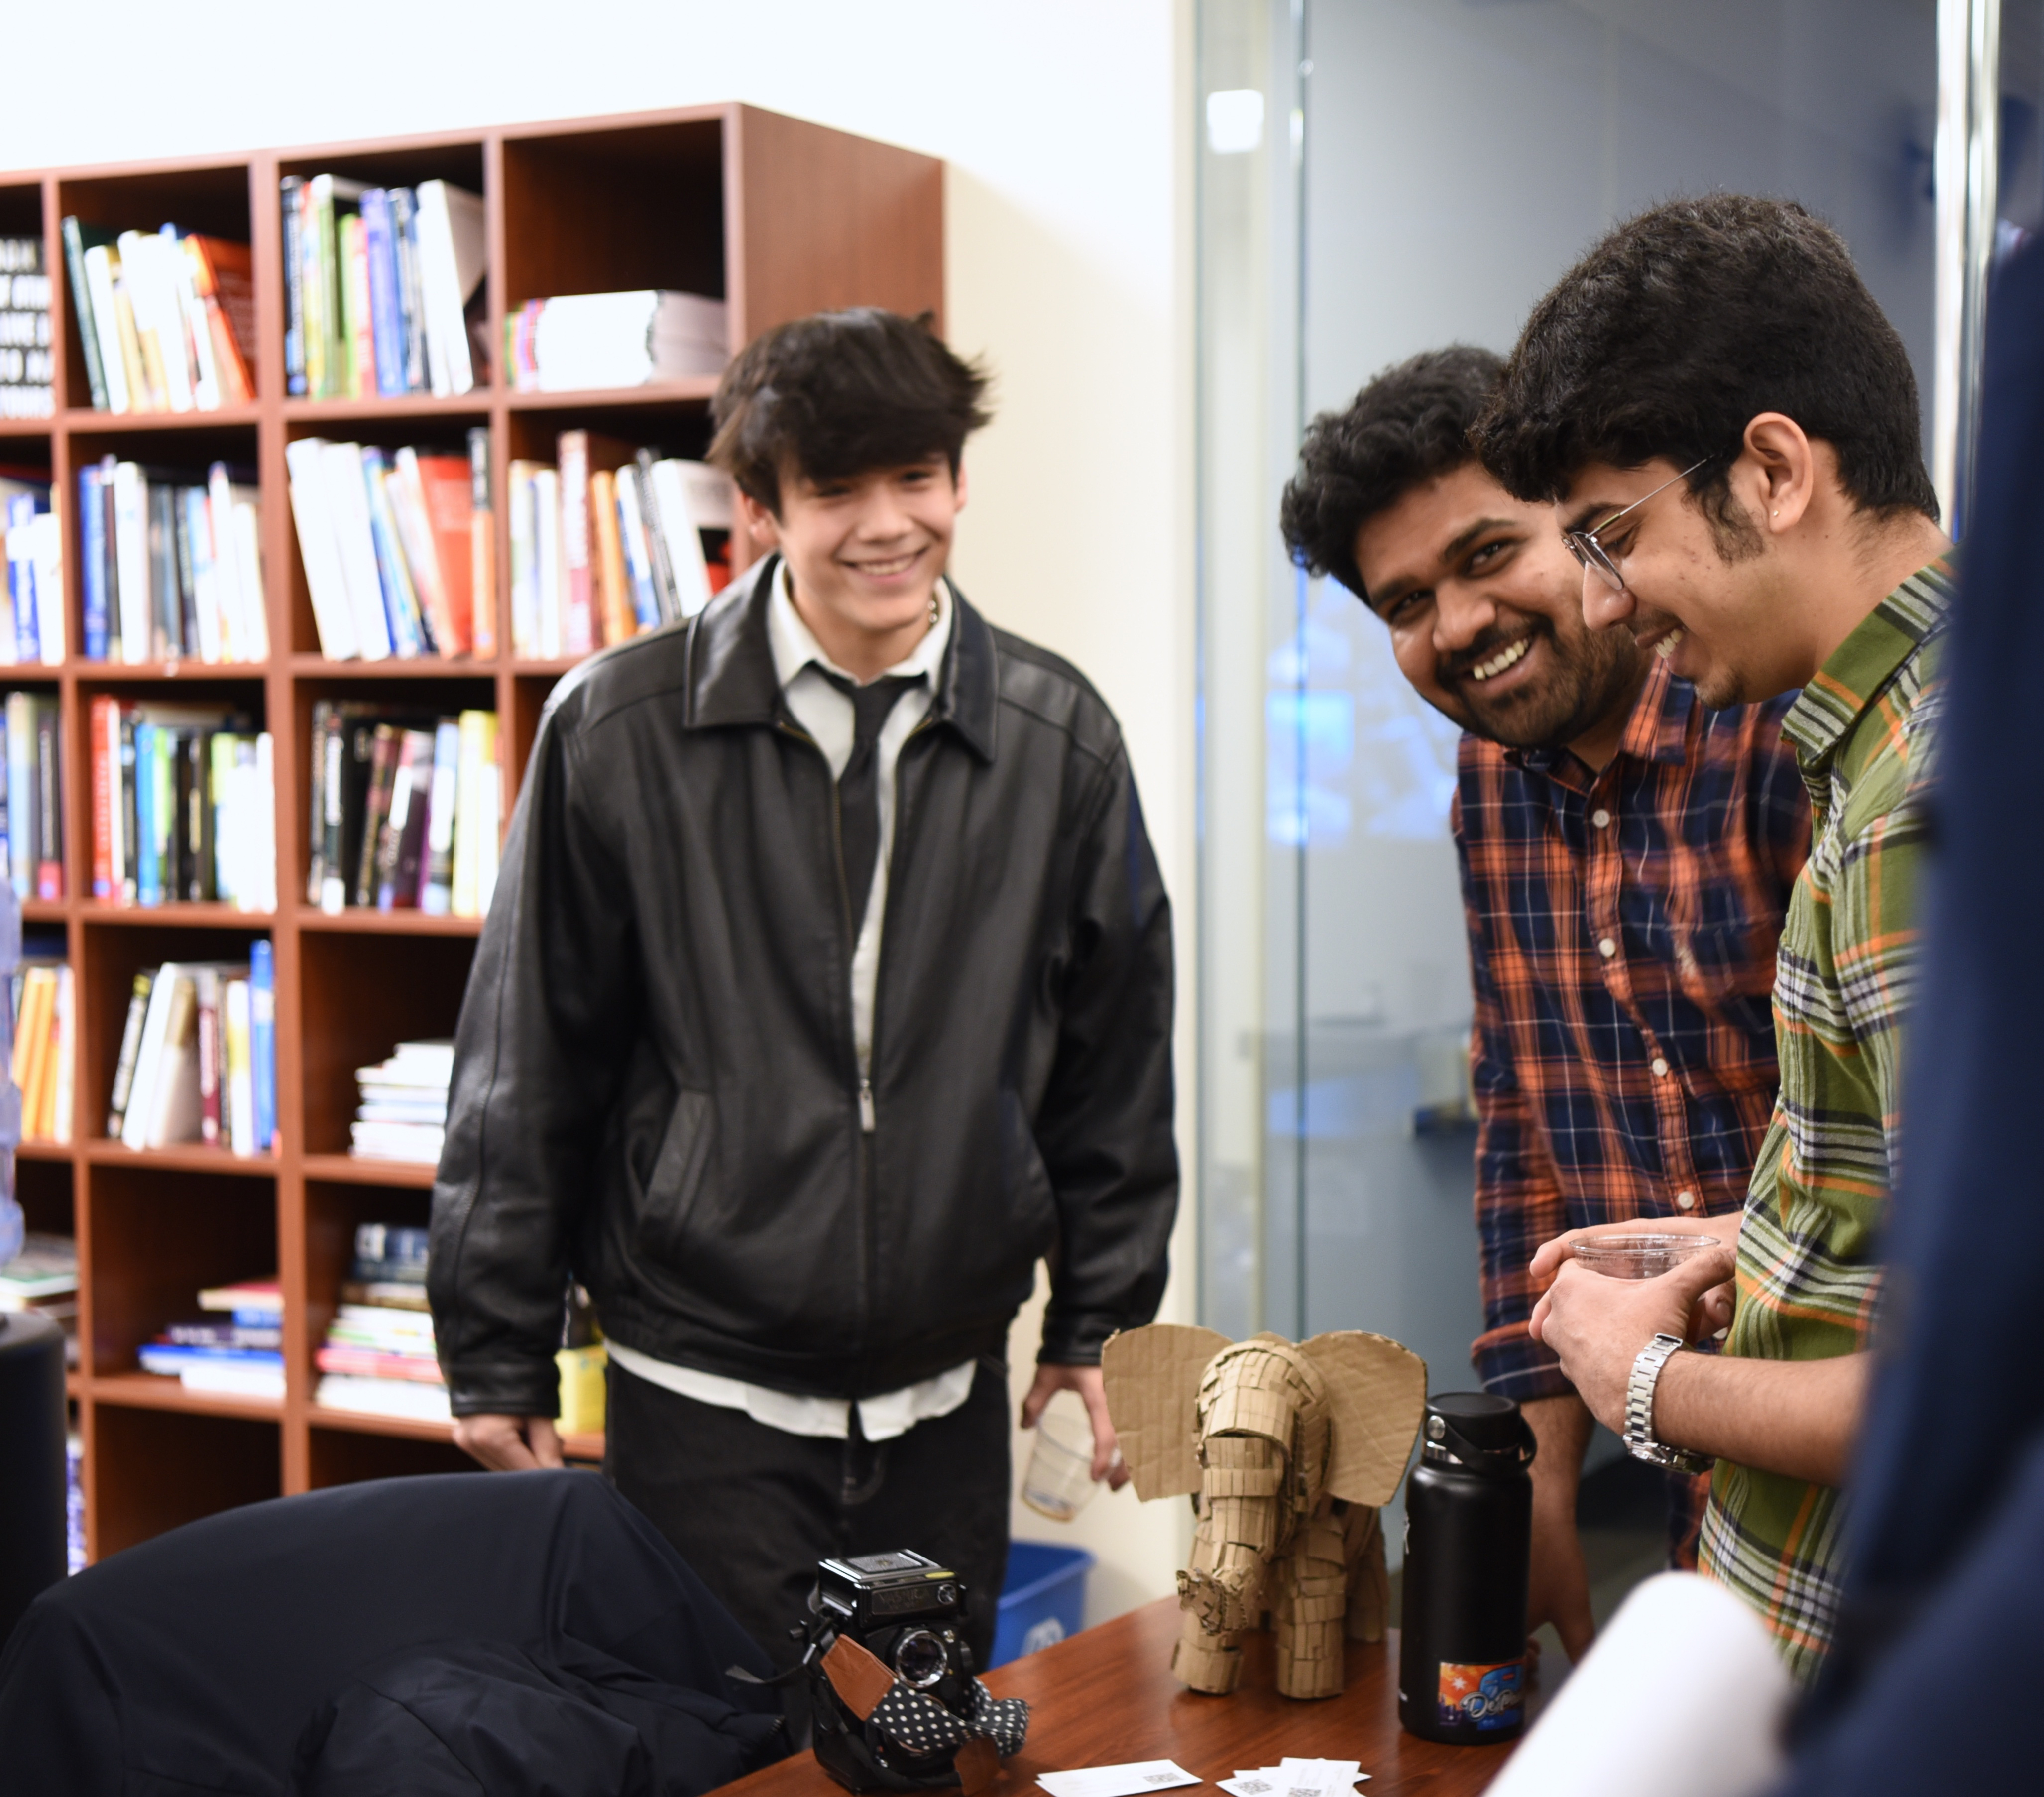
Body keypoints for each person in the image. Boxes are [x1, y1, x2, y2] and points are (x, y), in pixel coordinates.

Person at [428, 308, 1178, 1680]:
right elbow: (528, 1059)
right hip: (700, 1396)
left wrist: (1099, 1327)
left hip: (945, 1399)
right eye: (837, 489)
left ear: (958, 481)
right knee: (714, 1757)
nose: (887, 524)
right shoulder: (617, 729)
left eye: (918, 479)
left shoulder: (1055, 736)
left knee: (917, 1759)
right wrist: (493, 1355)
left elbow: (1113, 1062)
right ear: (761, 507)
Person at [1473, 195, 1951, 1681]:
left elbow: (1965, 1388)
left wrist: (1645, 1380)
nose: (1609, 605)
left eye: (1617, 537)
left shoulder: (1915, 811)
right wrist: (1769, 1241)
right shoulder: (1885, 747)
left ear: (1772, 467)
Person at [1279, 346, 1808, 1666]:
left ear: (1586, 527)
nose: (1454, 624)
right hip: (1707, 1491)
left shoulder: (1772, 719)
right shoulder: (1494, 780)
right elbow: (1523, 1118)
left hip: (1885, 1449)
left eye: (1483, 555)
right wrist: (1535, 1484)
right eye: (1404, 601)